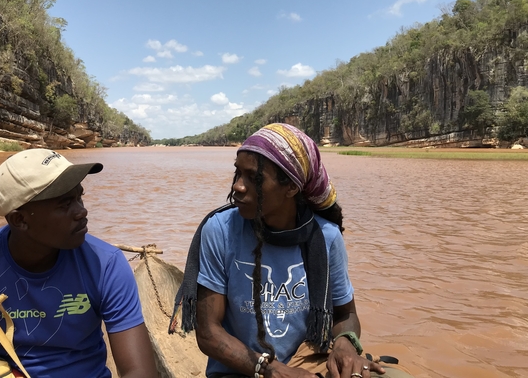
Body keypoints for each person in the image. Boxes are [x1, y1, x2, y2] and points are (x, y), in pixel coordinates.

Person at [171, 123, 413, 378]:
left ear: (291, 188)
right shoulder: (220, 230)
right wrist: (272, 370)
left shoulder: (326, 237)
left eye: (254, 178)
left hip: (307, 362)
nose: (238, 187)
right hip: (244, 370)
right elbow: (208, 333)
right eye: (238, 173)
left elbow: (346, 313)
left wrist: (345, 343)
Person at [0, 149, 158, 378]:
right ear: (19, 219)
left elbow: (139, 372)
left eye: (79, 197)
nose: (81, 212)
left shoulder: (105, 265)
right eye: (64, 204)